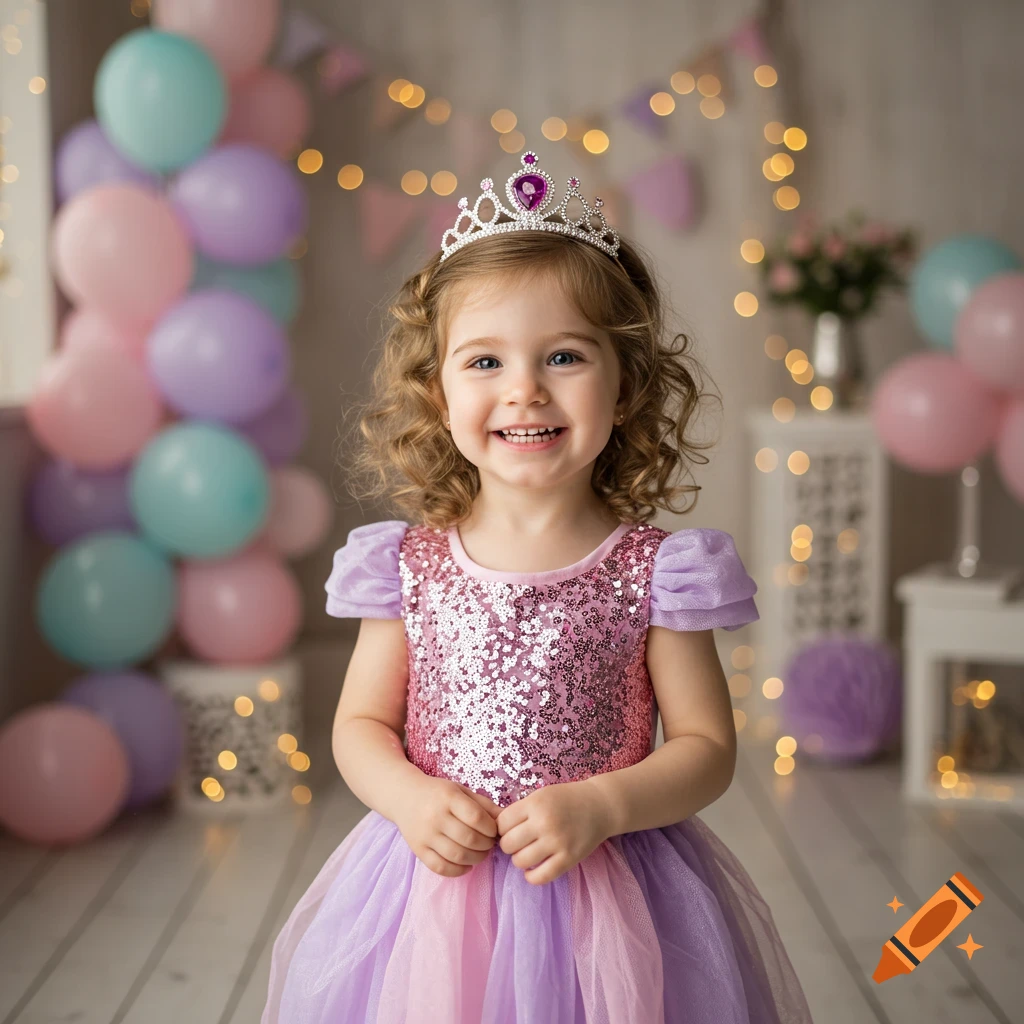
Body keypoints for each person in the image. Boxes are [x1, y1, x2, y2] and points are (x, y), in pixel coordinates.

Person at [262, 151, 813, 1023]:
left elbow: (706, 747)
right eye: (484, 362)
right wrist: (409, 797)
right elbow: (360, 725)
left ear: (625, 384)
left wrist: (605, 801)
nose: (524, 389)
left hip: (615, 894)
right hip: (436, 898)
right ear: (437, 392)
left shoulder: (656, 573)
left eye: (563, 356)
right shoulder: (404, 565)